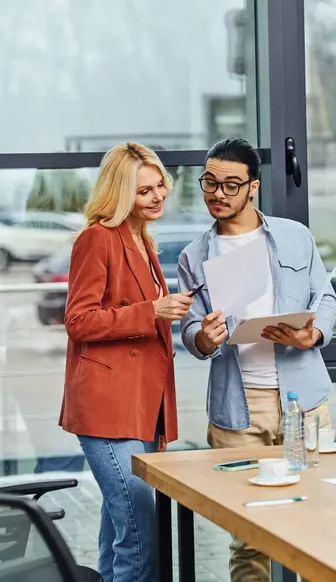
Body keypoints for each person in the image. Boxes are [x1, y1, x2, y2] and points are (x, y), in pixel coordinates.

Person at [178, 138, 336, 582]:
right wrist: (205, 339)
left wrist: (313, 333)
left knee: (319, 521)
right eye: (210, 182)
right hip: (238, 410)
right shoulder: (194, 255)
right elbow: (191, 331)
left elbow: (325, 295)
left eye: (231, 184)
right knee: (248, 534)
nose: (219, 194)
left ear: (253, 187)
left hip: (303, 401)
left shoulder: (294, 235)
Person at [59, 142, 193, 582]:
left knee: (120, 526)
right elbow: (79, 321)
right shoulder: (98, 238)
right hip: (108, 407)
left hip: (141, 404)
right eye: (143, 192)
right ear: (119, 194)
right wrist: (151, 312)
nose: (157, 197)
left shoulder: (143, 240)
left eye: (160, 187)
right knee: (138, 531)